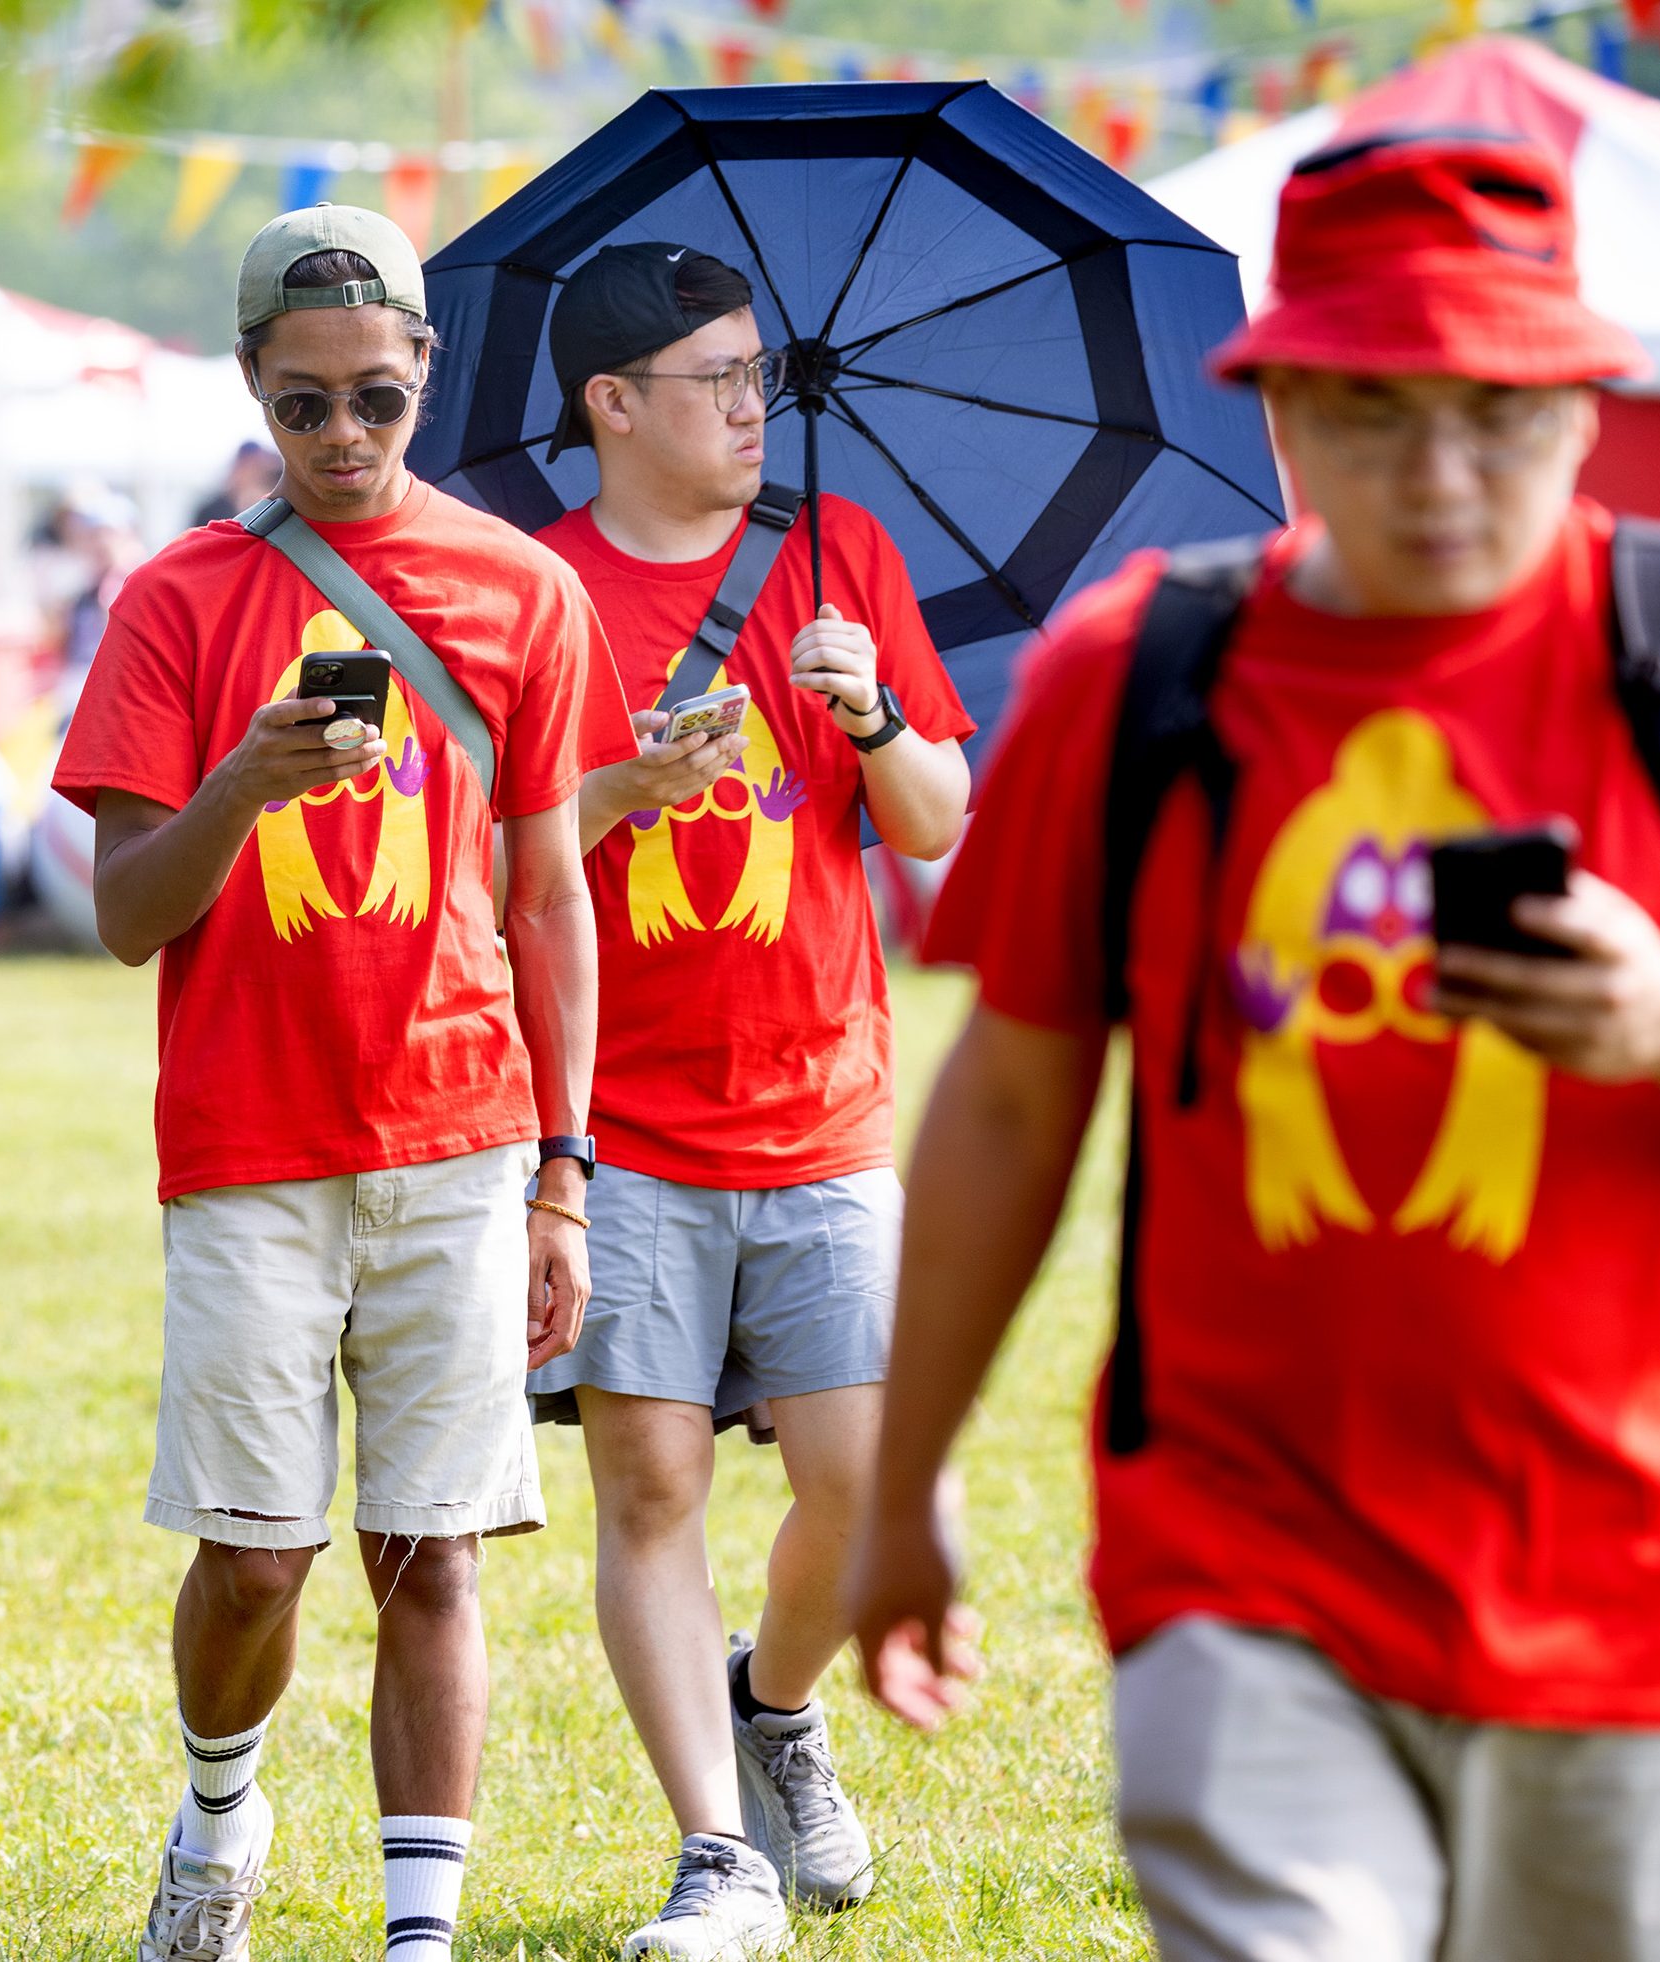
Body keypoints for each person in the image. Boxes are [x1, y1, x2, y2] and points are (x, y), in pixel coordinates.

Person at [846, 129, 1660, 1962]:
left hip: (1637, 1582)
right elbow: (1010, 1102)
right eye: (1368, 409)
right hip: (1241, 1554)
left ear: (1586, 408)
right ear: (1280, 416)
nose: (1439, 475)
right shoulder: (1139, 674)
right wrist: (908, 1484)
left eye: (1497, 413)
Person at [52, 204, 629, 1962]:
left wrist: (564, 1173)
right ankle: (221, 1808)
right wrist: (241, 781)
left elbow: (550, 899)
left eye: (376, 399)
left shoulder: (528, 590)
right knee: (254, 1559)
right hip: (247, 1148)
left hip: (460, 1137)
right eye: (304, 406)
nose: (344, 438)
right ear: (252, 390)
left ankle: (417, 1938)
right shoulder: (176, 601)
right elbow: (130, 917)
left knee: (435, 1549)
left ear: (427, 378)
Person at [525, 241, 975, 1959]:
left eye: (757, 375)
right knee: (651, 1486)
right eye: (713, 378)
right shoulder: (540, 586)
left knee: (863, 1487)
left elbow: (933, 818)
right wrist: (636, 776)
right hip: (617, 1123)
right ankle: (718, 1854)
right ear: (613, 404)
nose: (748, 406)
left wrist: (867, 714)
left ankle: (772, 1702)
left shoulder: (840, 554)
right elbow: (503, 861)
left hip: (825, 1104)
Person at [191, 440, 280, 528]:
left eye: (256, 468)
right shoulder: (211, 509)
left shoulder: (268, 505)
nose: (251, 473)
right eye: (248, 467)